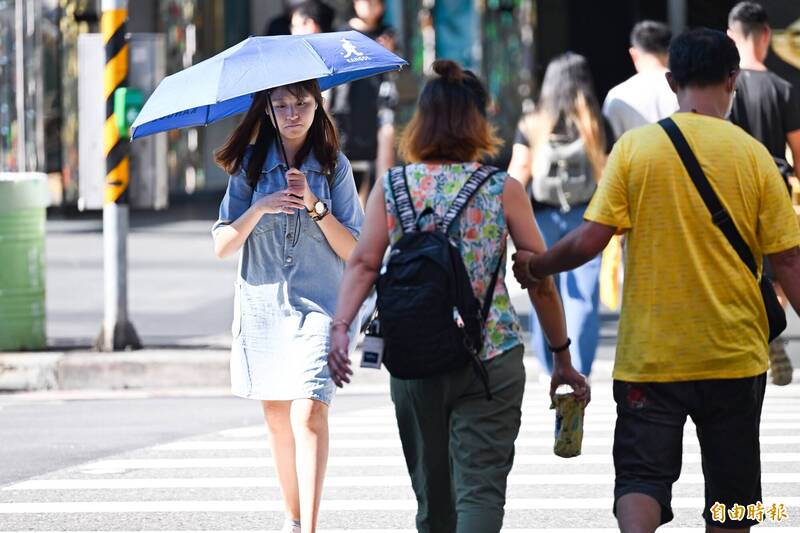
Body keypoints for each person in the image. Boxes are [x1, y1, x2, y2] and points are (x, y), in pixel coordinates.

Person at [513, 28, 800, 533]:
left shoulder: (635, 151)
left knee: (641, 480)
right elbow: (791, 262)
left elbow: (588, 240)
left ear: (671, 81)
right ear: (732, 80)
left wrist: (536, 267)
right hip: (733, 355)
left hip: (651, 356)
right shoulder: (755, 156)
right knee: (735, 498)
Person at [326, 60, 589, 533]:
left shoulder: (393, 187)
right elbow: (541, 280)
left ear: (421, 122)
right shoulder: (502, 189)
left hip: (413, 355)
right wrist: (562, 357)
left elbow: (363, 263)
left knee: (433, 500)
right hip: (490, 358)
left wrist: (341, 328)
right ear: (478, 122)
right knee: (480, 493)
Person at [212, 80, 364, 533]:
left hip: (319, 307)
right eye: (281, 105)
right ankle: (294, 519)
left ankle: (311, 528)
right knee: (278, 418)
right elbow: (222, 244)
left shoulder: (335, 167)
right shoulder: (250, 167)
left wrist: (315, 205)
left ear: (319, 106)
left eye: (302, 103)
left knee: (309, 408)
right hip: (263, 307)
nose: (293, 113)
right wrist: (260, 206)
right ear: (268, 111)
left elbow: (354, 250)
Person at [506, 52, 611, 377]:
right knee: (583, 296)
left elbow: (520, 170)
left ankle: (551, 361)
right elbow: (606, 172)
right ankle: (580, 365)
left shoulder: (533, 122)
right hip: (585, 216)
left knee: (541, 284)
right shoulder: (594, 121)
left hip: (540, 218)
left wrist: (505, 214)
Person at [727, 0, 800, 385]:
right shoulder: (783, 88)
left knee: (742, 266)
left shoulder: (727, 86)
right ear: (768, 36)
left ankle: (757, 338)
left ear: (730, 36)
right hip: (776, 189)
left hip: (735, 191)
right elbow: (799, 151)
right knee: (779, 267)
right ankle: (772, 330)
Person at [331, 0, 398, 206]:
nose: (370, 6)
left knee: (381, 152)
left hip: (378, 104)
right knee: (346, 164)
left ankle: (376, 208)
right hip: (347, 106)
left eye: (375, 2)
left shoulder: (387, 34)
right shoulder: (341, 33)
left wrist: (389, 52)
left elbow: (396, 71)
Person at [603, 20, 679, 141]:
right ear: (669, 52)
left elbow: (609, 148)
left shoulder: (617, 95)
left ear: (633, 54)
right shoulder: (686, 90)